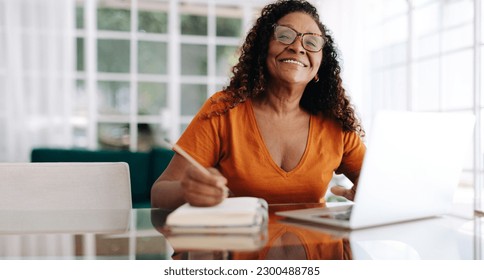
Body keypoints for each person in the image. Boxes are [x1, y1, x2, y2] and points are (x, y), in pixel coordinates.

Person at [151, 0, 366, 209]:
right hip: (240, 243)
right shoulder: (223, 110)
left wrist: (367, 192)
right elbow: (159, 193)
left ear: (320, 65)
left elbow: (381, 185)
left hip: (316, 245)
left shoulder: (335, 124)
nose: (298, 47)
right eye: (284, 36)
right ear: (263, 50)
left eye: (311, 43)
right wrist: (187, 191)